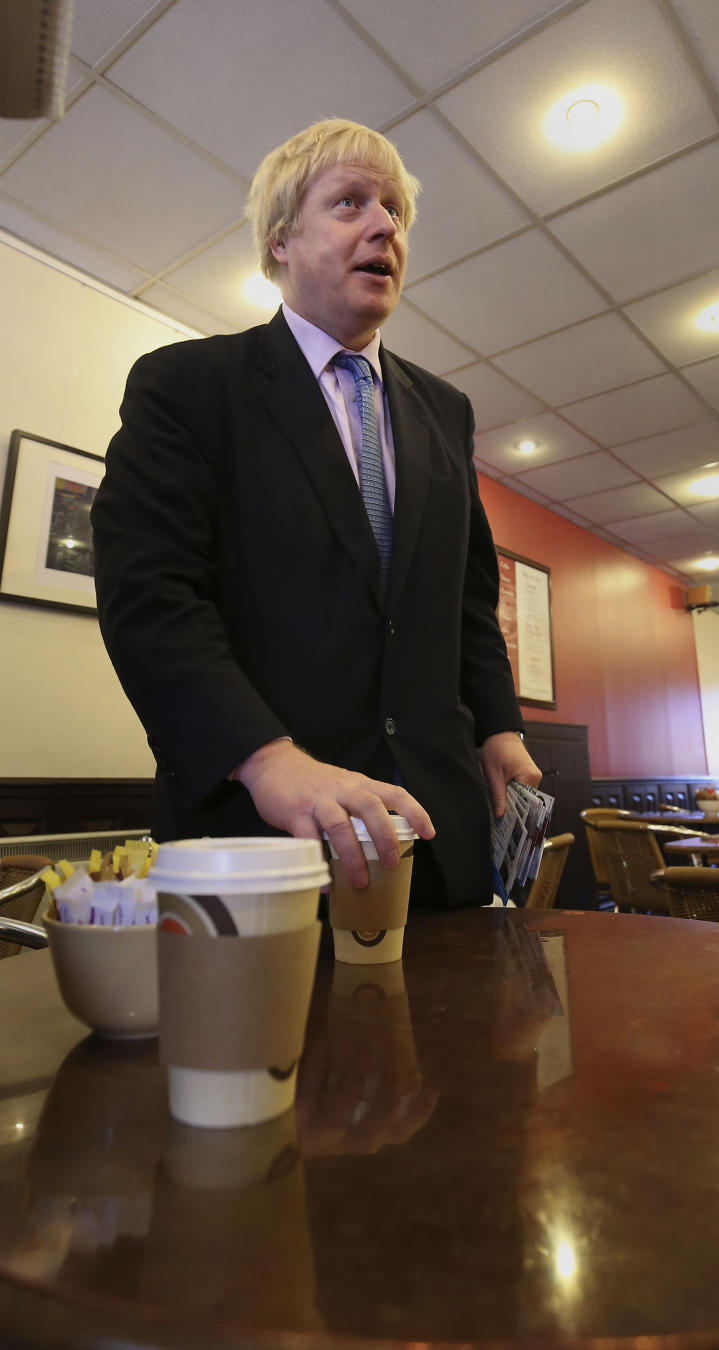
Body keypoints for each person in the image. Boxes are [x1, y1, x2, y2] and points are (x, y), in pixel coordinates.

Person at [91, 117, 540, 909]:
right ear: (279, 241)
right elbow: (150, 596)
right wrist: (266, 758)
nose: (384, 227)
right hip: (260, 838)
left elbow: (465, 601)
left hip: (437, 838)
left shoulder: (447, 411)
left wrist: (499, 727)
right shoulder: (187, 387)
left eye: (395, 211)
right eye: (350, 203)